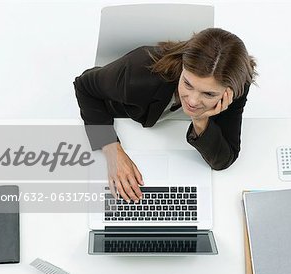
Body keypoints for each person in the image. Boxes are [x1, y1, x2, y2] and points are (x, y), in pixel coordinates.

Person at [74, 28, 257, 203]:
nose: (193, 101)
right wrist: (112, 151)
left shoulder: (235, 87)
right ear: (183, 67)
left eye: (208, 94)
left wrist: (200, 119)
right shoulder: (138, 73)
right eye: (187, 84)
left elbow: (223, 160)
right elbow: (83, 86)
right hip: (128, 113)